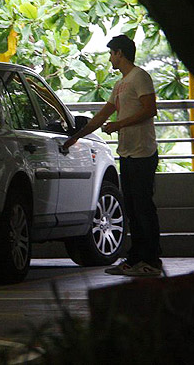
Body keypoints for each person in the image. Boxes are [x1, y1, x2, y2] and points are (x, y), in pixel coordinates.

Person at [63, 34, 162, 277]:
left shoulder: (140, 77)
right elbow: (102, 115)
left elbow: (150, 110)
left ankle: (152, 260)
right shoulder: (120, 84)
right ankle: (136, 258)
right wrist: (76, 136)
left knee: (143, 208)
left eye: (111, 54)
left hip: (143, 153)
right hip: (127, 154)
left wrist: (119, 125)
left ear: (120, 53)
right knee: (132, 208)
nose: (110, 59)